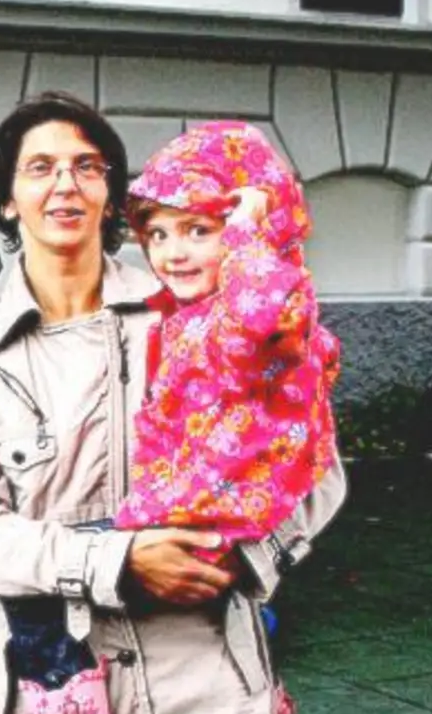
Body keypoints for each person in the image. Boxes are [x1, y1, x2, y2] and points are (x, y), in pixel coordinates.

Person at [0, 93, 347, 714]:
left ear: (113, 198)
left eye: (87, 166)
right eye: (40, 167)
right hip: (48, 701)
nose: (66, 183)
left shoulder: (203, 310)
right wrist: (116, 561)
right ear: (6, 201)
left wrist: (242, 555)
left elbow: (315, 470)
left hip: (203, 686)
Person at [117, 122, 341, 563]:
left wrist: (244, 230)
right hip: (178, 520)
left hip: (216, 530)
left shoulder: (265, 305)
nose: (173, 253)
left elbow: (254, 322)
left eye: (198, 230)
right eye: (158, 234)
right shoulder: (191, 314)